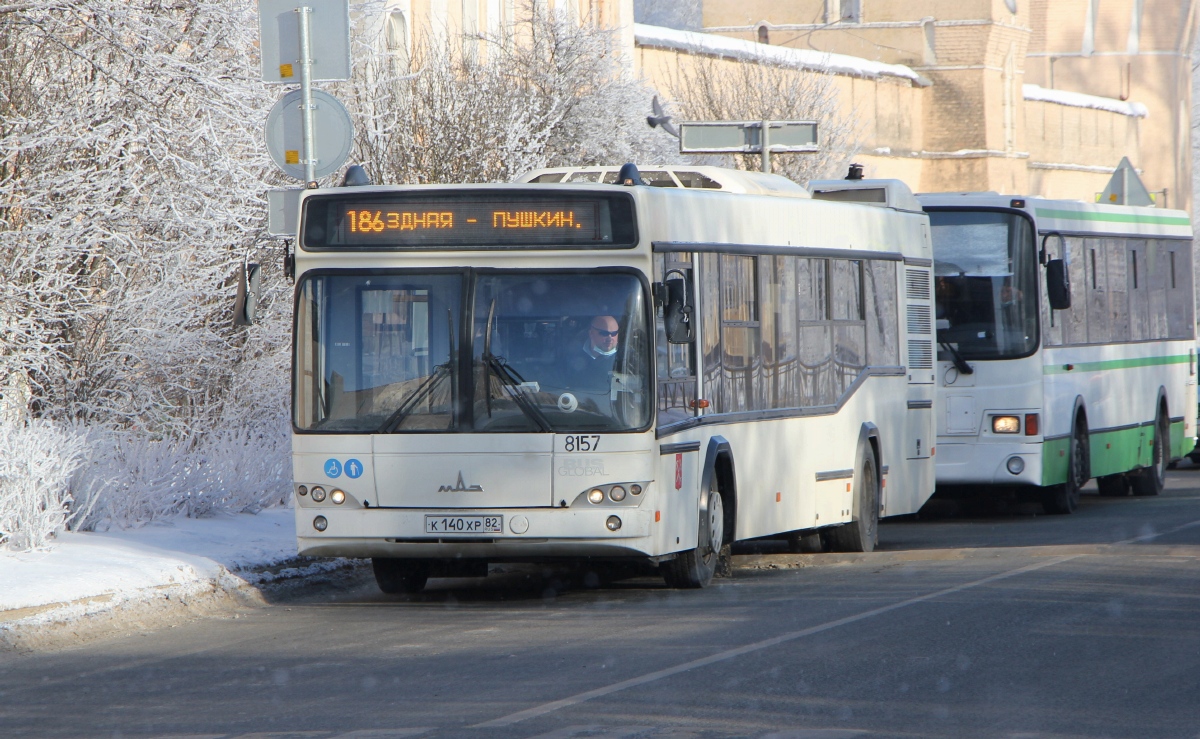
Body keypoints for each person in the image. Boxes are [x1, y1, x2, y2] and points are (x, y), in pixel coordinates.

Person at [563, 315, 620, 392]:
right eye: (604, 333)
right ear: (591, 333)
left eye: (613, 333)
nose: (609, 338)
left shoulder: (627, 358)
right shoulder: (571, 357)